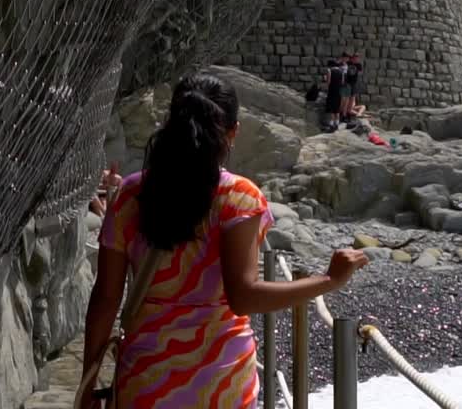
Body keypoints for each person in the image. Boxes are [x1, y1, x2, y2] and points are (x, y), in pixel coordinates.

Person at [81, 72, 369, 408]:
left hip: (147, 381)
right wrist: (329, 279)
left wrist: (89, 379)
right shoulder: (238, 197)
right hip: (222, 381)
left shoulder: (130, 194)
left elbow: (105, 297)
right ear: (232, 133)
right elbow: (243, 297)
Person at [323, 59, 346, 131]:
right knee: (337, 105)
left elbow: (328, 82)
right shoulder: (341, 71)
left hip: (332, 90)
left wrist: (325, 79)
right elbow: (342, 82)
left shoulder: (329, 70)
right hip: (339, 91)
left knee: (331, 105)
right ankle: (337, 122)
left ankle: (332, 123)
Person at [345, 54, 364, 119]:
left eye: (357, 59)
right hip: (348, 84)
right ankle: (360, 114)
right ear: (352, 58)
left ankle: (359, 114)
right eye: (355, 58)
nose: (356, 60)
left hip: (354, 84)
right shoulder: (348, 63)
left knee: (361, 106)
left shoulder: (358, 65)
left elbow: (360, 73)